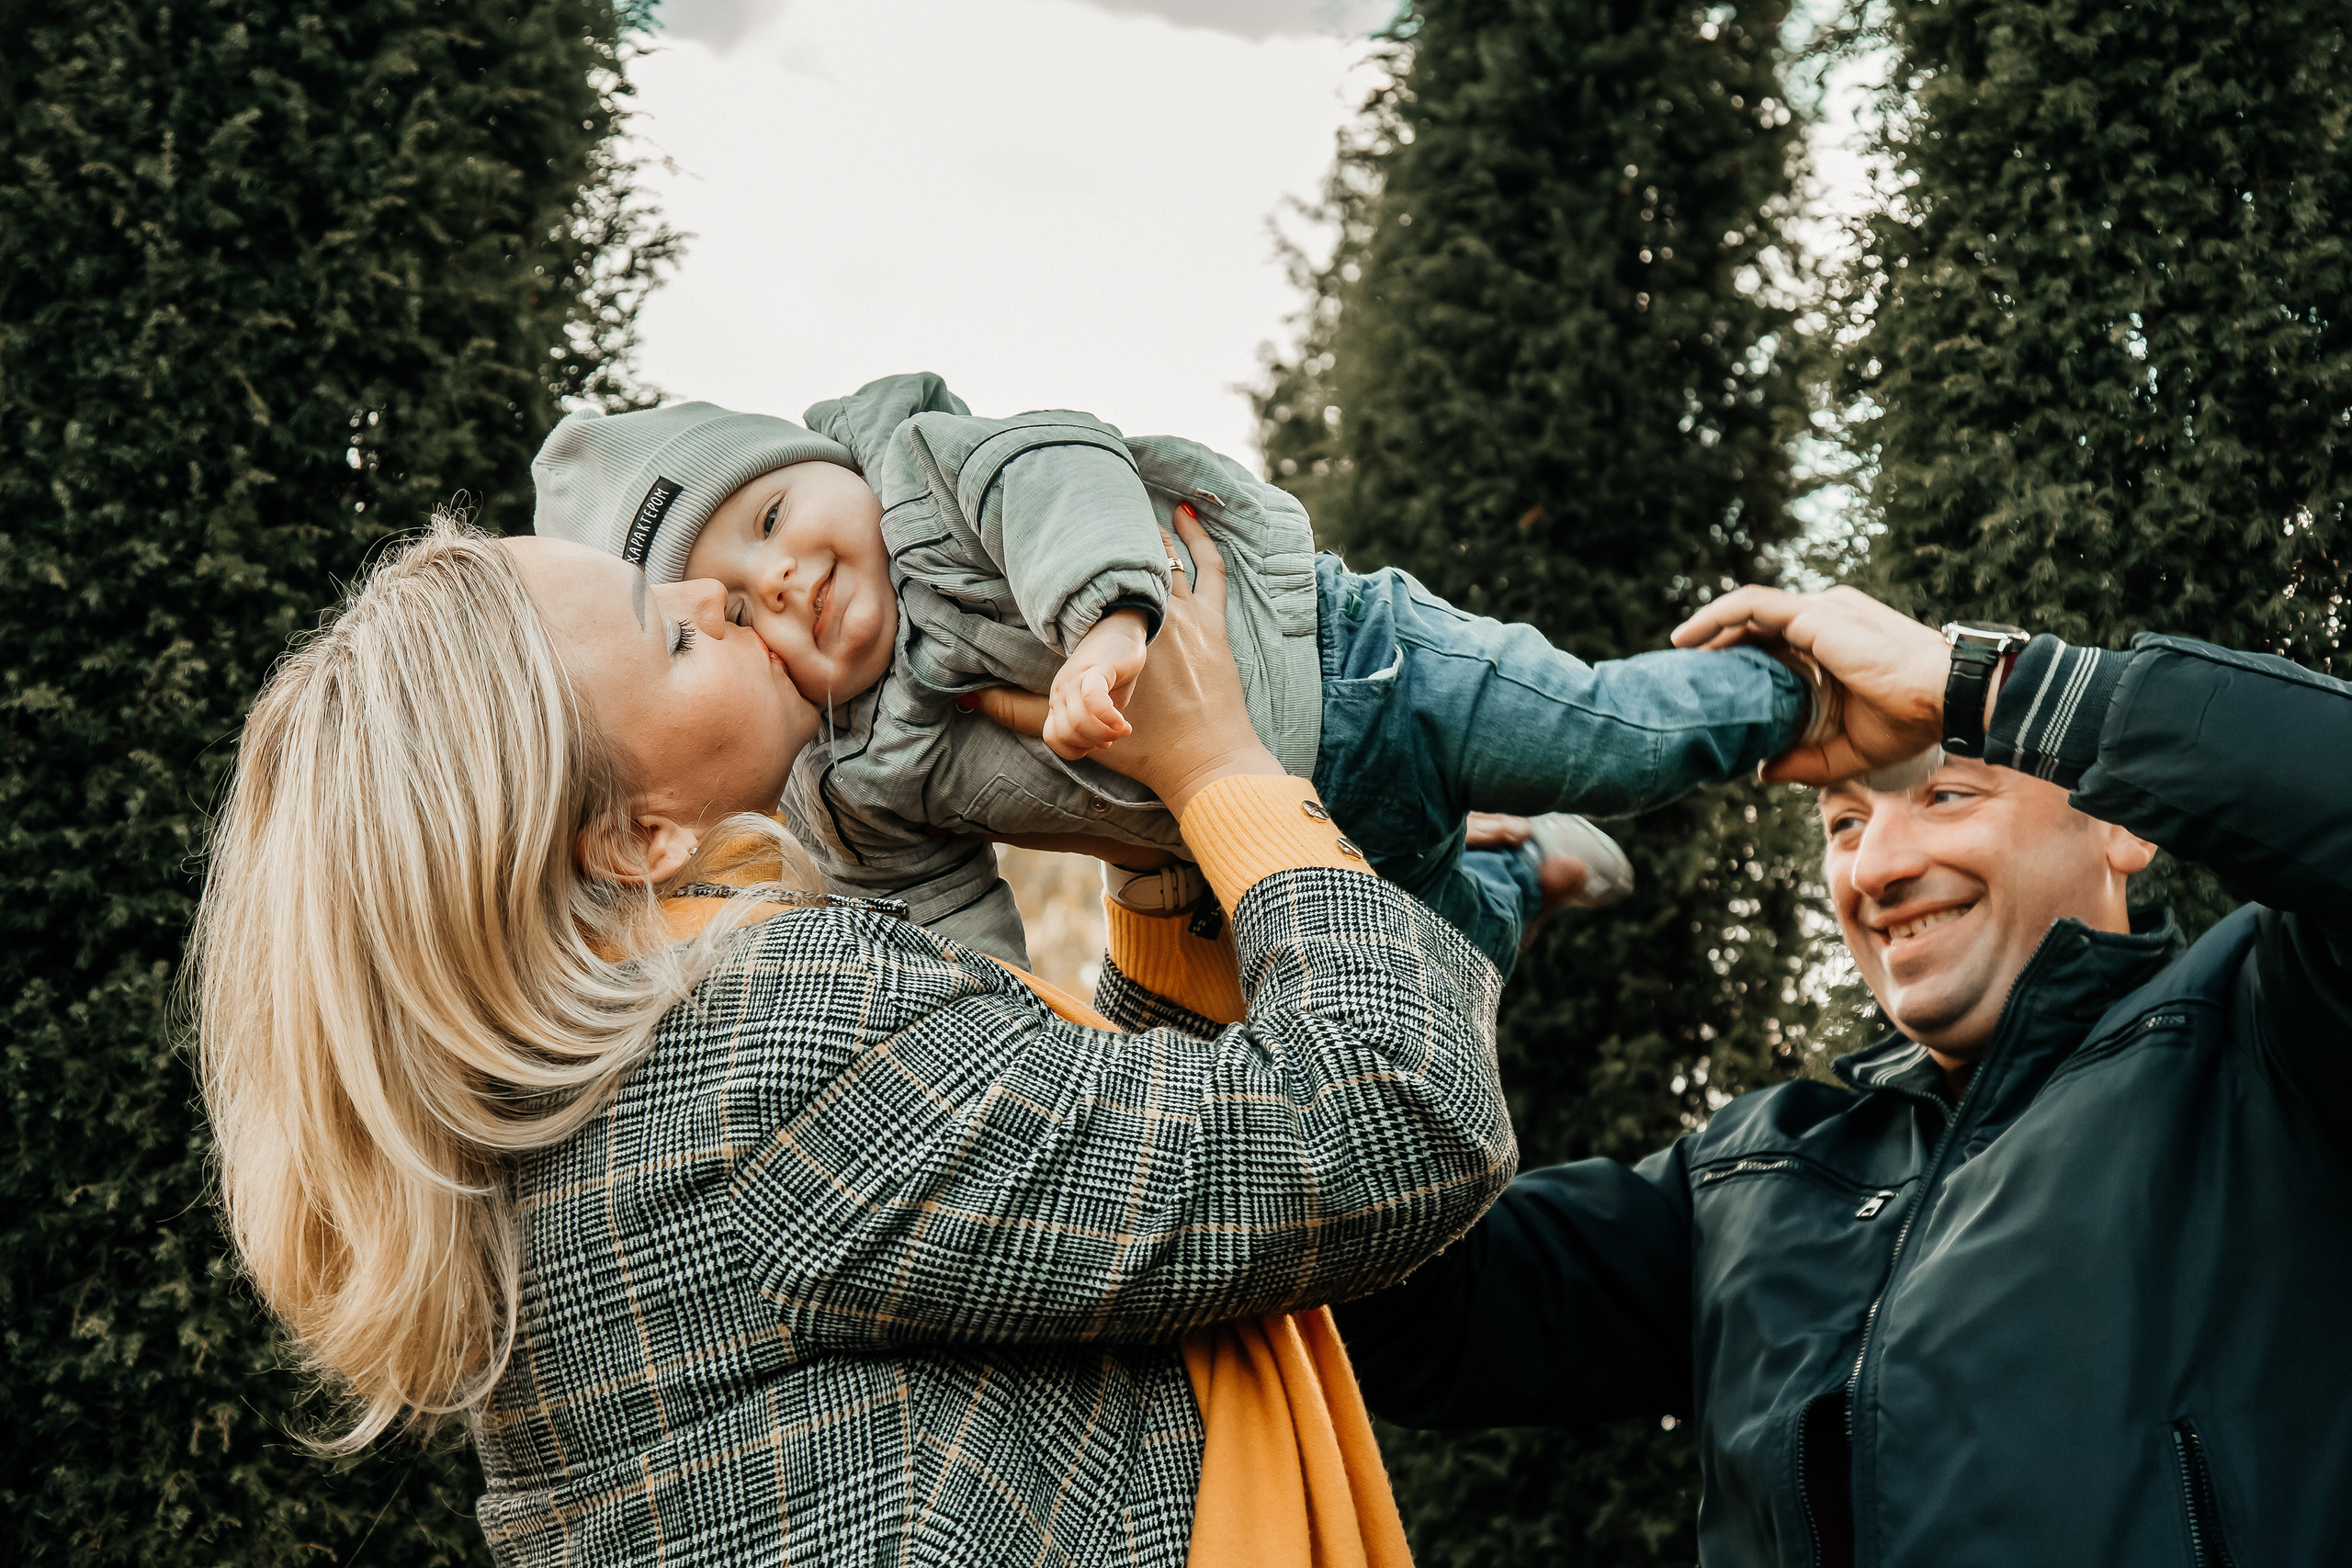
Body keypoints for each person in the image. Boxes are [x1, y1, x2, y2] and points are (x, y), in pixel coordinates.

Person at [192, 509, 1519, 1565]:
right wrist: (1230, 770)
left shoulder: (587, 1112)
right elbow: (1389, 1120)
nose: (711, 593)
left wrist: (1158, 864)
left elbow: (1098, 1218)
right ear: (634, 835)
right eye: (669, 636)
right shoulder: (756, 1051)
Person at [1333, 582, 2352, 1566]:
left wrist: (1981, 684)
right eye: (1843, 825)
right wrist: (1403, 922)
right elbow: (1403, 1299)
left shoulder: (2266, 1038)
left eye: (1947, 795)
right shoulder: (1750, 1174)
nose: (1874, 870)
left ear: (2124, 827)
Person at [527, 373, 1823, 975]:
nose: (790, 583)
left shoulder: (929, 482)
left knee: (1607, 736)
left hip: (1370, 670)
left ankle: (1801, 693)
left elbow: (1064, 472)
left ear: (822, 459)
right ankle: (1516, 868)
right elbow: (937, 913)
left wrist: (1106, 622)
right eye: (744, 610)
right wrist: (998, 1019)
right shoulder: (849, 775)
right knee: (1437, 961)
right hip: (1245, 847)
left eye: (769, 524)